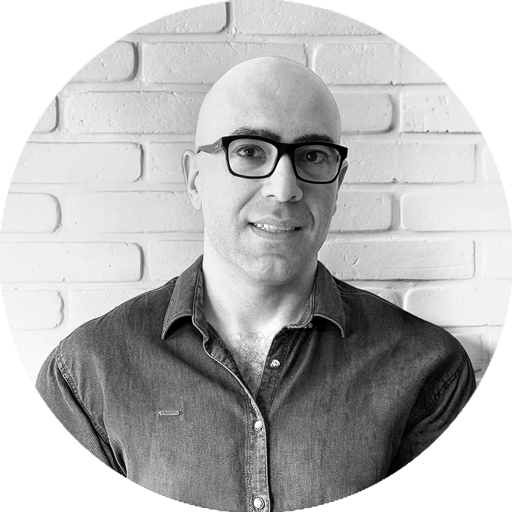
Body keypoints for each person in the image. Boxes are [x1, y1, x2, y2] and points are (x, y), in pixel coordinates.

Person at [36, 57, 475, 512]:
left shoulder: (427, 369)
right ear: (194, 180)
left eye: (312, 156)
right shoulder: (86, 374)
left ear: (338, 185)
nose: (284, 189)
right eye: (249, 152)